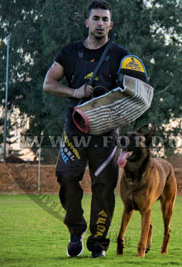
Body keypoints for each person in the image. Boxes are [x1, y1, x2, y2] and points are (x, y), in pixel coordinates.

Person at [43, 0, 129, 258]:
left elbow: (135, 90)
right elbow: (49, 83)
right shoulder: (69, 53)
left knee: (104, 185)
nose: (100, 23)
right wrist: (75, 91)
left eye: (105, 19)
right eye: (96, 19)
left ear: (110, 24)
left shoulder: (121, 55)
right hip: (75, 130)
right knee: (67, 177)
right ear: (87, 22)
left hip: (106, 133)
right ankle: (75, 230)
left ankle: (98, 242)